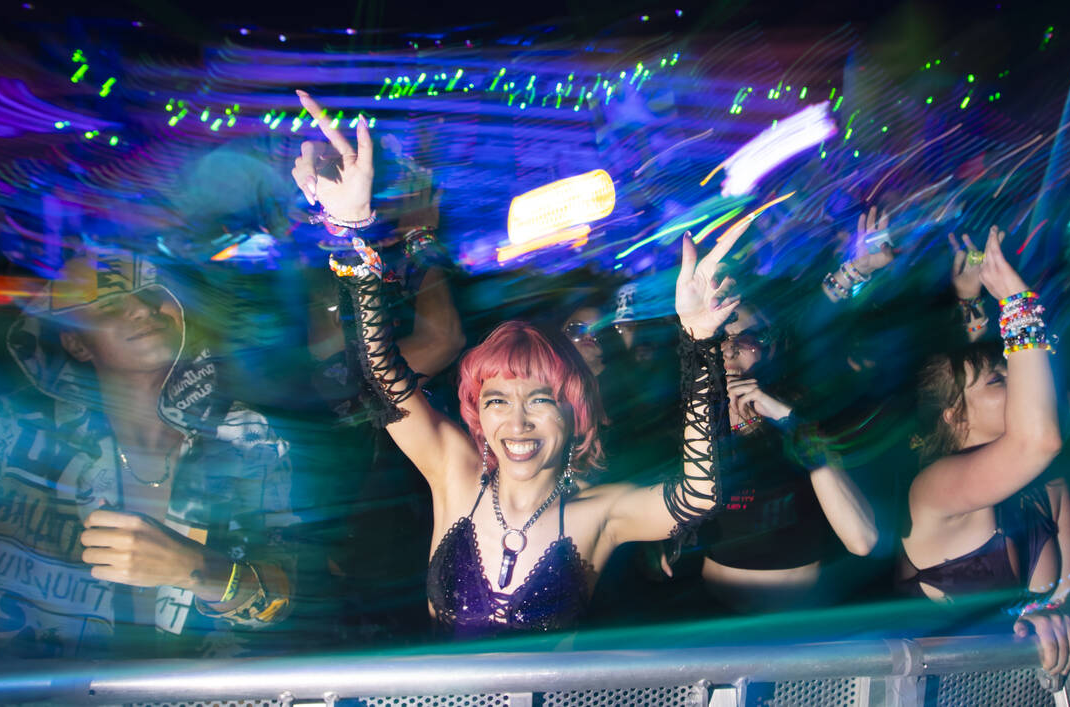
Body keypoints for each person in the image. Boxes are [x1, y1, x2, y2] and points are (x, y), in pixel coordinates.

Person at [289, 90, 738, 637]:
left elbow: (699, 495)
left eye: (540, 399)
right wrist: (353, 234)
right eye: (497, 400)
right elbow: (383, 377)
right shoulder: (454, 474)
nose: (517, 422)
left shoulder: (600, 514)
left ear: (573, 412)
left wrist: (699, 340)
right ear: (479, 412)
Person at [0, 252, 295, 658]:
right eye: (113, 305)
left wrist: (192, 568)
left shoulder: (244, 434)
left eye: (153, 295)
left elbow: (282, 599)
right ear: (77, 343)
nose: (143, 310)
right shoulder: (17, 434)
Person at [901, 226, 1070, 676]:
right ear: (955, 417)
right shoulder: (934, 488)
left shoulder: (1049, 485)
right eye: (997, 381)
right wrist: (1017, 302)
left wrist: (1059, 618)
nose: (1016, 381)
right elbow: (1036, 440)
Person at [691, 300, 878, 613]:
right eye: (721, 337)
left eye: (747, 338)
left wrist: (789, 421)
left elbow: (862, 540)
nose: (730, 350)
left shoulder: (800, 420)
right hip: (712, 618)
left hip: (793, 624)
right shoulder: (692, 424)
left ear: (771, 348)